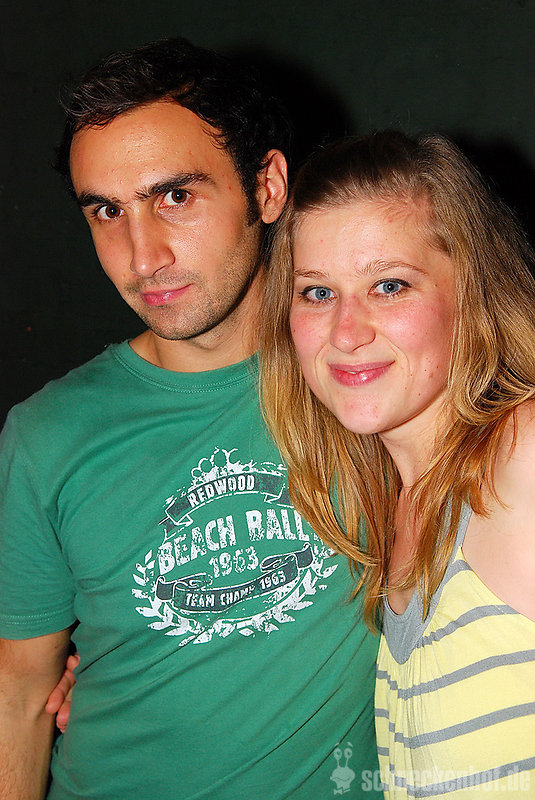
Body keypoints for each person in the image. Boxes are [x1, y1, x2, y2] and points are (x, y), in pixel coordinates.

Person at [0, 39, 380, 800]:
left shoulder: (367, 384)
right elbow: (21, 689)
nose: (142, 257)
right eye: (107, 211)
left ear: (267, 187)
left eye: (174, 197)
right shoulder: (46, 436)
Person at [260, 131, 535, 796]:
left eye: (388, 285)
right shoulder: (398, 505)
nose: (346, 331)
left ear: (470, 292)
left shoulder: (522, 455)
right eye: (316, 293)